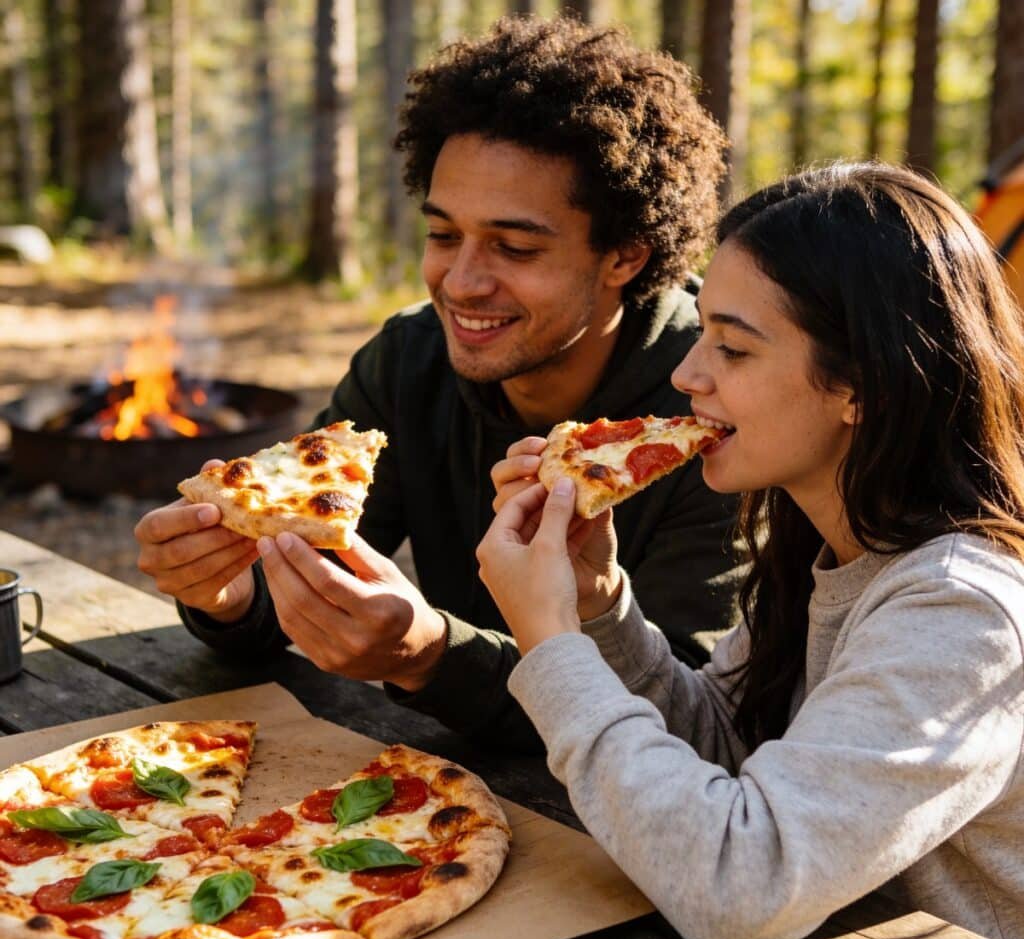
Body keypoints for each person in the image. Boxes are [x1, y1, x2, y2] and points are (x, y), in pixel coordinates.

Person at [132, 17, 741, 751]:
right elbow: (296, 579)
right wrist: (225, 595)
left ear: (625, 257)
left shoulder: (714, 413)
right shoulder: (408, 361)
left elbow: (683, 714)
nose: (460, 283)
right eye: (443, 234)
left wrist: (430, 656)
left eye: (514, 247)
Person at [476, 161, 1024, 939]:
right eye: (702, 333)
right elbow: (730, 746)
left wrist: (551, 640)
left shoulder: (959, 613)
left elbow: (739, 884)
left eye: (732, 349)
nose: (686, 375)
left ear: (860, 385)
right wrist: (598, 606)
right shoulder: (823, 544)